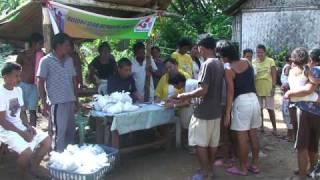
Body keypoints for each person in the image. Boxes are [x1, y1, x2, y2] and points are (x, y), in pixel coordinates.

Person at [178, 37, 224, 179]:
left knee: (200, 144)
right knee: (212, 143)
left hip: (203, 111)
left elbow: (203, 90)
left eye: (198, 47)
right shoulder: (219, 63)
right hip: (216, 110)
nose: (197, 50)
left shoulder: (207, 64)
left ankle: (205, 172)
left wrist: (186, 95)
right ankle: (209, 170)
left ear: (203, 48)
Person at [216, 40, 261, 176]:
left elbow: (230, 92)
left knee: (242, 137)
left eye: (221, 56)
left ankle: (242, 168)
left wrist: (228, 113)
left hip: (241, 102)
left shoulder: (229, 69)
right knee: (253, 134)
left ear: (226, 56)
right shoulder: (247, 62)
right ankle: (254, 164)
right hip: (254, 99)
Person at [0, 62, 51, 179]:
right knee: (27, 152)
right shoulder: (1, 94)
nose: (19, 79)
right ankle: (22, 175)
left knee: (47, 140)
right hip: (5, 129)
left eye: (20, 75)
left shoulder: (18, 90)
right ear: (5, 77)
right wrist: (22, 134)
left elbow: (22, 112)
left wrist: (28, 126)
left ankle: (34, 167)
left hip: (19, 126)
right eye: (16, 76)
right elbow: (2, 121)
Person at [37, 33, 78, 152]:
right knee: (60, 132)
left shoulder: (69, 60)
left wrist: (76, 100)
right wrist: (43, 101)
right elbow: (40, 81)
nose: (69, 48)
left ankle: (69, 156)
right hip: (57, 102)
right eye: (66, 45)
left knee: (71, 131)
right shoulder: (46, 61)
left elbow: (73, 80)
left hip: (70, 100)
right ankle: (58, 159)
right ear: (58, 45)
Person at [285, 48, 320, 180]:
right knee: (313, 144)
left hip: (303, 111)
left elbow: (307, 90)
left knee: (302, 146)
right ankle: (312, 170)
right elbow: (310, 88)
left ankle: (302, 176)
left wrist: (290, 93)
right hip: (317, 113)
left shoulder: (295, 71)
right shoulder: (311, 71)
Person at [16, 33, 44, 127]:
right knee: (22, 110)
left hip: (34, 86)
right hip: (22, 85)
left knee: (33, 111)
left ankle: (33, 130)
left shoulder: (41, 55)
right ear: (34, 43)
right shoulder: (22, 55)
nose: (42, 46)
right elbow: (16, 69)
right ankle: (24, 129)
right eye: (40, 44)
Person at [166, 73, 198, 150]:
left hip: (202, 106)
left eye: (175, 85)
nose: (175, 87)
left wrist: (173, 105)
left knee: (186, 114)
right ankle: (192, 144)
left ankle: (193, 146)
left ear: (179, 82)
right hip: (199, 105)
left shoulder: (188, 85)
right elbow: (186, 99)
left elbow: (187, 103)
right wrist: (174, 100)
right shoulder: (188, 83)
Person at [253, 44, 277, 134]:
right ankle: (261, 126)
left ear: (265, 52)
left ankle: (274, 128)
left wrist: (273, 87)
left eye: (261, 52)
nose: (259, 54)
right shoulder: (253, 62)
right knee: (259, 109)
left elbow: (274, 75)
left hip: (268, 88)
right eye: (258, 52)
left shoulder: (270, 61)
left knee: (270, 109)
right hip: (257, 88)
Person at [280, 55, 294, 141]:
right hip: (286, 94)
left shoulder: (288, 67)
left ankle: (290, 135)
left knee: (288, 114)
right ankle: (289, 134)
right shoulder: (288, 66)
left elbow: (288, 82)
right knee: (286, 114)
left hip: (288, 94)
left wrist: (286, 86)